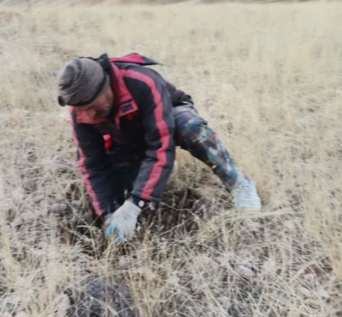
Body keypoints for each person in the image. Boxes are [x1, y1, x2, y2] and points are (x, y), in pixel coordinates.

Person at [56, 53, 262, 244]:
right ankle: (152, 178)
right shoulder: (80, 113)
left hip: (168, 120)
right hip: (126, 138)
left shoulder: (142, 82)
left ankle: (239, 183)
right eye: (84, 110)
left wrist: (135, 204)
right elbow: (92, 165)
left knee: (189, 128)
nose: (90, 115)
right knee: (120, 186)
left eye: (93, 107)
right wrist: (108, 214)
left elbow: (160, 146)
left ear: (105, 86)